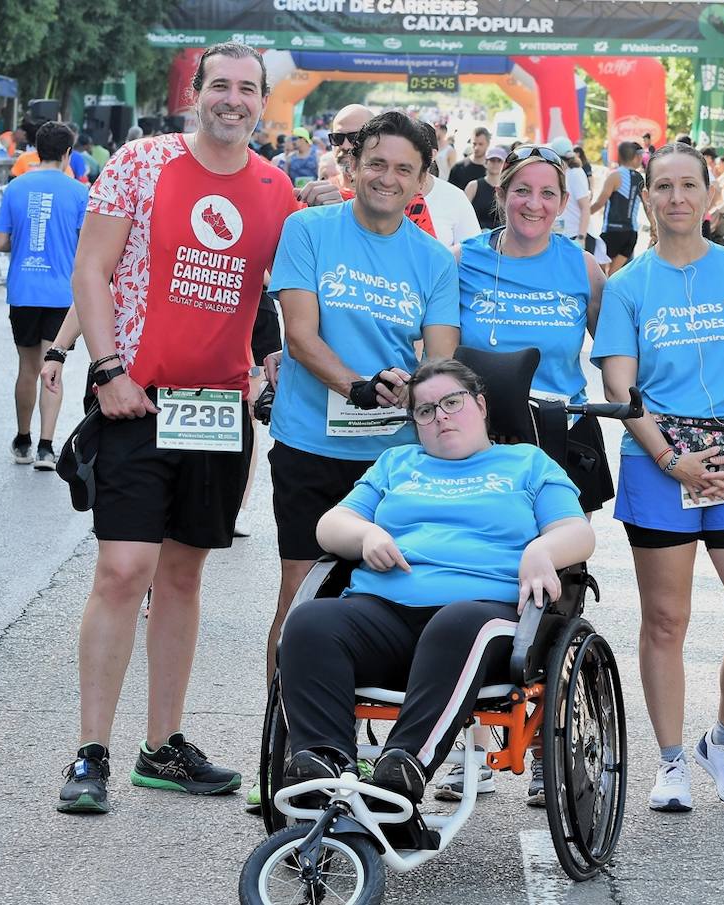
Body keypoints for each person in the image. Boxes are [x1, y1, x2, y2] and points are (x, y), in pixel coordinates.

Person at [55, 42, 311, 816]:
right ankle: (89, 750)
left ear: (263, 102)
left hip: (217, 409)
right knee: (122, 568)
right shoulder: (141, 161)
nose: (233, 99)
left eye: (248, 89)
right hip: (137, 397)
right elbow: (91, 269)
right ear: (196, 93)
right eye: (220, 85)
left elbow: (274, 295)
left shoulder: (277, 190)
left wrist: (272, 362)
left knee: (184, 574)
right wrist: (106, 369)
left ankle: (162, 744)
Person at [277, 358, 595, 803]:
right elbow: (331, 524)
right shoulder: (396, 463)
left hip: (484, 614)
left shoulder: (527, 463)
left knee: (458, 623)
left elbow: (577, 531)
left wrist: (542, 550)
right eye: (425, 411)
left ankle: (403, 768)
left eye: (451, 402)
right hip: (384, 615)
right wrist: (366, 533)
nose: (440, 416)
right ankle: (322, 767)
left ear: (481, 405)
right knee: (311, 621)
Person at [592, 142, 724, 812]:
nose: (676, 198)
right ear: (646, 199)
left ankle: (722, 742)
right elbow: (620, 386)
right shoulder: (626, 287)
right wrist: (671, 457)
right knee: (666, 619)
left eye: (688, 186)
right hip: (658, 460)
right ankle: (671, 760)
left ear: (710, 193)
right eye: (663, 187)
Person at [261, 111, 460, 727]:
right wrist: (358, 387)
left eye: (404, 169)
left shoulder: (433, 261)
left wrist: (412, 385)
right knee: (300, 596)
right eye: (376, 163)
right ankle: (286, 742)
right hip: (310, 447)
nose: (387, 178)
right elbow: (299, 335)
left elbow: (441, 356)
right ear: (352, 166)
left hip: (394, 460)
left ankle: (363, 745)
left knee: (382, 602)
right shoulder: (308, 230)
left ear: (423, 182)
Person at [445, 144, 609, 803]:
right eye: (523, 191)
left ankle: (548, 746)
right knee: (467, 589)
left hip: (558, 444)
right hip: (478, 448)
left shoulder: (585, 270)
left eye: (549, 193)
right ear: (501, 191)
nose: (534, 204)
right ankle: (469, 746)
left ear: (566, 203)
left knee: (557, 598)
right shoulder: (466, 261)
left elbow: (622, 352)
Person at [0, 121, 88, 469]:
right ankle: (47, 447)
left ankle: (23, 440)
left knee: (27, 368)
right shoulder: (80, 193)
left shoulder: (16, 187)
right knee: (54, 369)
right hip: (61, 293)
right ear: (67, 153)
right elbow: (86, 246)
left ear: (35, 148)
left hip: (24, 290)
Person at [415, 121, 480, 248]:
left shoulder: (455, 198)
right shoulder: (383, 192)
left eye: (415, 150)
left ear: (432, 154)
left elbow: (472, 253)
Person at [590, 141, 647, 275]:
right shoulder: (639, 178)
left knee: (602, 275)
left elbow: (600, 202)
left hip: (611, 231)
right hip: (631, 233)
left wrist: (584, 214)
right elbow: (647, 206)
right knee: (617, 275)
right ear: (635, 157)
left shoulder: (615, 176)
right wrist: (654, 227)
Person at [547, 137, 592, 249]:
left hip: (575, 236)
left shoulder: (576, 173)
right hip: (558, 235)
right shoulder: (558, 173)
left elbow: (585, 207)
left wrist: (581, 237)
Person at [464, 143, 507, 232]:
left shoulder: (508, 188)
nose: (495, 163)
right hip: (476, 235)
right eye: (492, 160)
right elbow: (462, 213)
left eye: (499, 161)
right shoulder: (473, 186)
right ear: (485, 162)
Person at [448, 125, 490, 190]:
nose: (476, 148)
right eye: (474, 144)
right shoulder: (458, 168)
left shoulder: (492, 169)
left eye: (480, 144)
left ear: (488, 144)